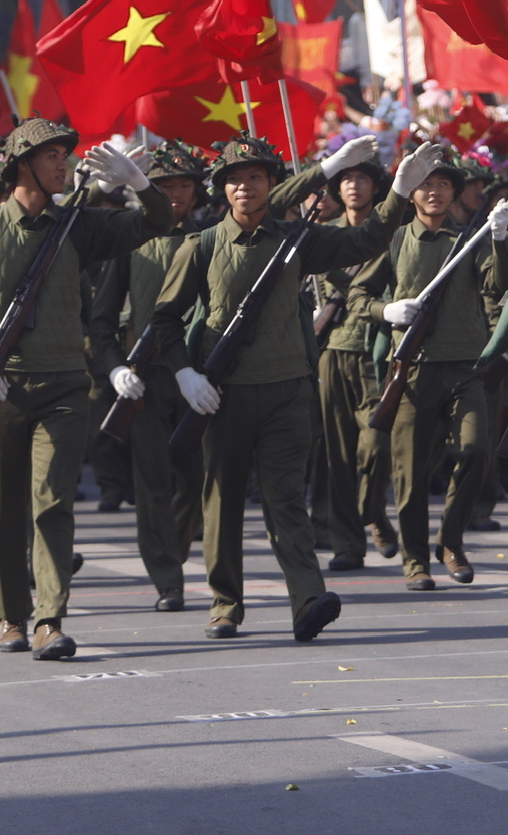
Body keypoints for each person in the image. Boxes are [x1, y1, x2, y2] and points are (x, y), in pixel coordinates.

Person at [144, 133, 431, 642]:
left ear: (272, 184)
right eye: (234, 179)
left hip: (287, 391)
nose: (244, 188)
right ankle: (225, 601)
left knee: (286, 500)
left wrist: (400, 193)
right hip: (222, 394)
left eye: (255, 177)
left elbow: (363, 243)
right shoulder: (202, 245)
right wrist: (185, 374)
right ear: (223, 190)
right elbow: (164, 321)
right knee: (223, 500)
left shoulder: (297, 238)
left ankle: (307, 599)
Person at [0, 120, 171, 659]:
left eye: (66, 155)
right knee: (0, 507)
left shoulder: (78, 226)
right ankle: (12, 615)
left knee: (52, 504)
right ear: (23, 164)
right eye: (53, 156)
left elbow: (159, 222)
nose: (63, 165)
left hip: (64, 386)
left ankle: (49, 620)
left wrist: (139, 183)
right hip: (0, 389)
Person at [354, 152, 508, 591]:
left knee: (477, 450)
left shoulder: (470, 239)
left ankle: (451, 540)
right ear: (412, 192)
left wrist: (498, 237)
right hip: (414, 370)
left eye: (443, 184)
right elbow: (357, 296)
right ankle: (415, 560)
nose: (434, 192)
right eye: (426, 184)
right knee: (410, 472)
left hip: (465, 366)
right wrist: (388, 310)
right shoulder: (394, 239)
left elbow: (495, 285)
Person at [89, 141, 215, 611]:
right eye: (165, 186)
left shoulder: (210, 238)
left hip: (199, 375)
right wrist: (115, 368)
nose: (176, 194)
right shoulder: (129, 241)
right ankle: (168, 578)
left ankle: (173, 551)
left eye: (184, 185)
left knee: (197, 478)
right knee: (153, 481)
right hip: (144, 379)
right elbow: (101, 319)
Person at [314, 155, 396, 571]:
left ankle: (374, 511)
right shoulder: (324, 234)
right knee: (338, 454)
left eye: (362, 178)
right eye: (346, 179)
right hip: (333, 350)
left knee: (376, 445)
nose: (353, 186)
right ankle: (347, 543)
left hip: (374, 350)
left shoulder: (389, 233)